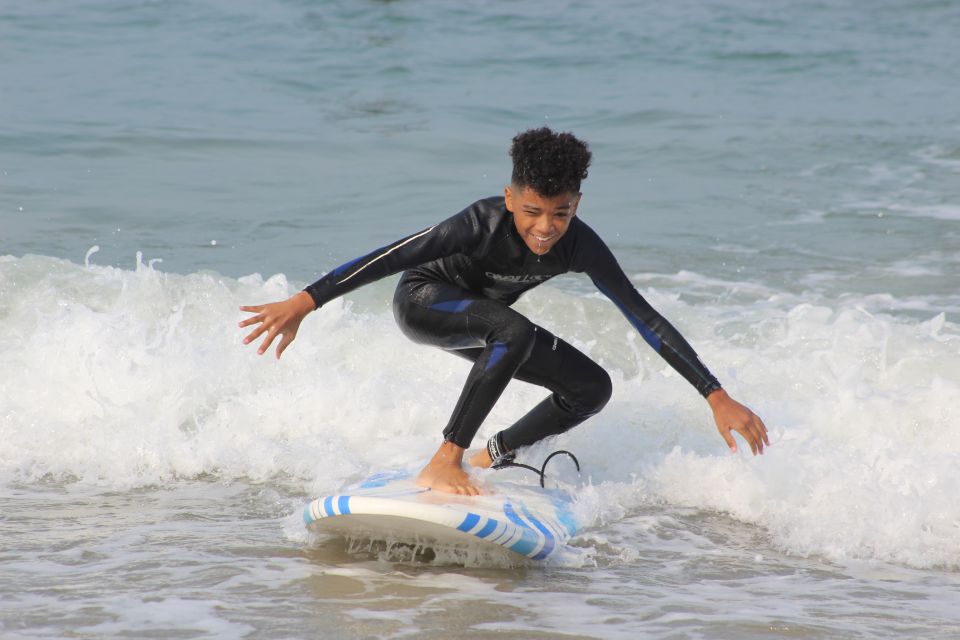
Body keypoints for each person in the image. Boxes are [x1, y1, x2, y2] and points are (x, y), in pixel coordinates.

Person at [239, 127, 769, 496]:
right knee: (511, 331)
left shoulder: (580, 245)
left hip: (491, 325)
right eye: (533, 211)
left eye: (560, 214)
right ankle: (444, 460)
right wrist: (305, 301)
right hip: (425, 302)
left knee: (591, 389)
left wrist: (715, 395)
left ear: (576, 205)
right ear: (510, 197)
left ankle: (490, 455)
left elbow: (644, 316)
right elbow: (392, 256)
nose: (545, 228)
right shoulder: (478, 224)